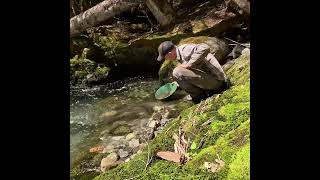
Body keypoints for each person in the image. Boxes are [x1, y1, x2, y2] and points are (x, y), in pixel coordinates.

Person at [157, 41, 229, 103]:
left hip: (218, 82)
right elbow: (193, 70)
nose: (166, 60)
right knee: (178, 74)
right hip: (211, 79)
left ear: (169, 53)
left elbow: (205, 47)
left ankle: (199, 98)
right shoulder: (180, 54)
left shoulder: (185, 50)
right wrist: (177, 83)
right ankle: (202, 95)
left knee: (177, 72)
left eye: (165, 57)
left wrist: (189, 64)